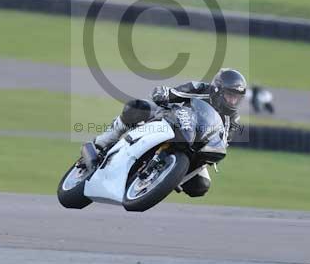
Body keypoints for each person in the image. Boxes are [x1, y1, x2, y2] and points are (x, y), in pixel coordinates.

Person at [81, 68, 247, 198]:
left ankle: (164, 177)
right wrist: (164, 94)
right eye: (230, 95)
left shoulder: (233, 119)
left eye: (237, 97)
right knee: (137, 107)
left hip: (195, 144)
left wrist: (212, 152)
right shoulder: (200, 89)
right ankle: (102, 142)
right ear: (217, 89)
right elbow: (174, 93)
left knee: (200, 186)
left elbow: (222, 142)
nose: (233, 101)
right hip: (172, 121)